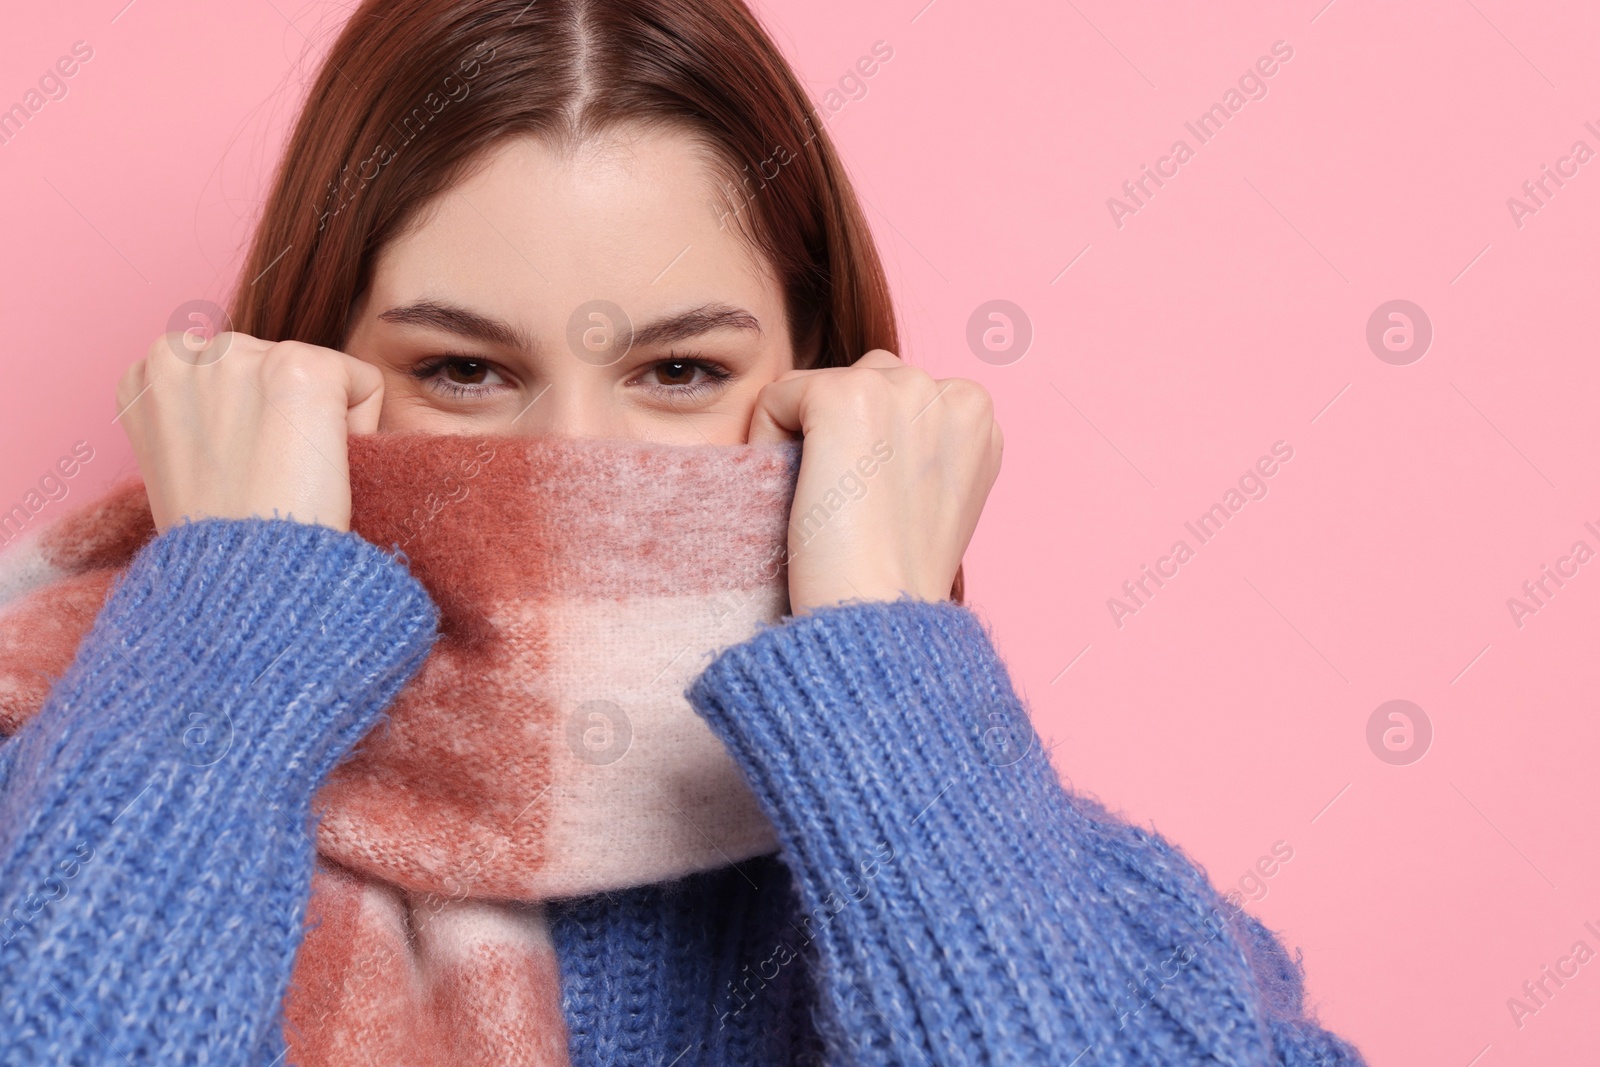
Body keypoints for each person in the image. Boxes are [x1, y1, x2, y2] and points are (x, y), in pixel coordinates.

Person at [0, 0, 1368, 1063]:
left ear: (828, 396)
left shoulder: (1053, 900)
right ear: (301, 383)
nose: (567, 466)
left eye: (679, 373)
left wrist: (891, 678)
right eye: (463, 371)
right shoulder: (60, 796)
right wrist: (224, 641)